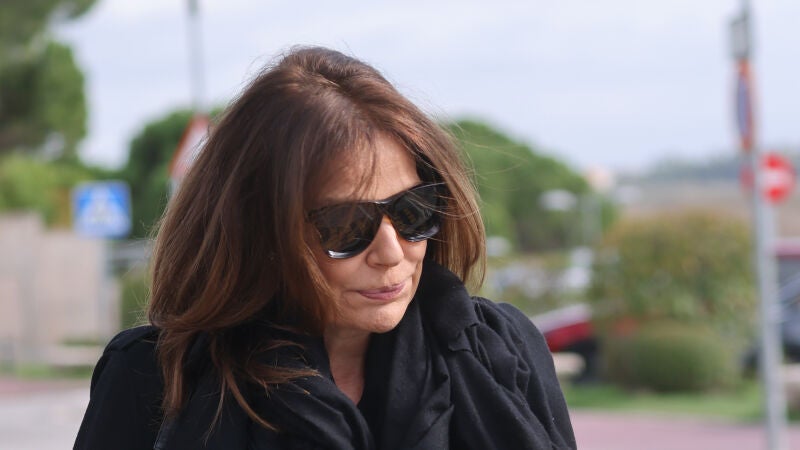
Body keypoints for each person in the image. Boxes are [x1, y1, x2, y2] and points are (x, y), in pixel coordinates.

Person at [74, 46, 576, 450]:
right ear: (259, 232)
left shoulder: (501, 351)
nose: (391, 252)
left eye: (413, 211)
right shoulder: (152, 376)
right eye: (345, 226)